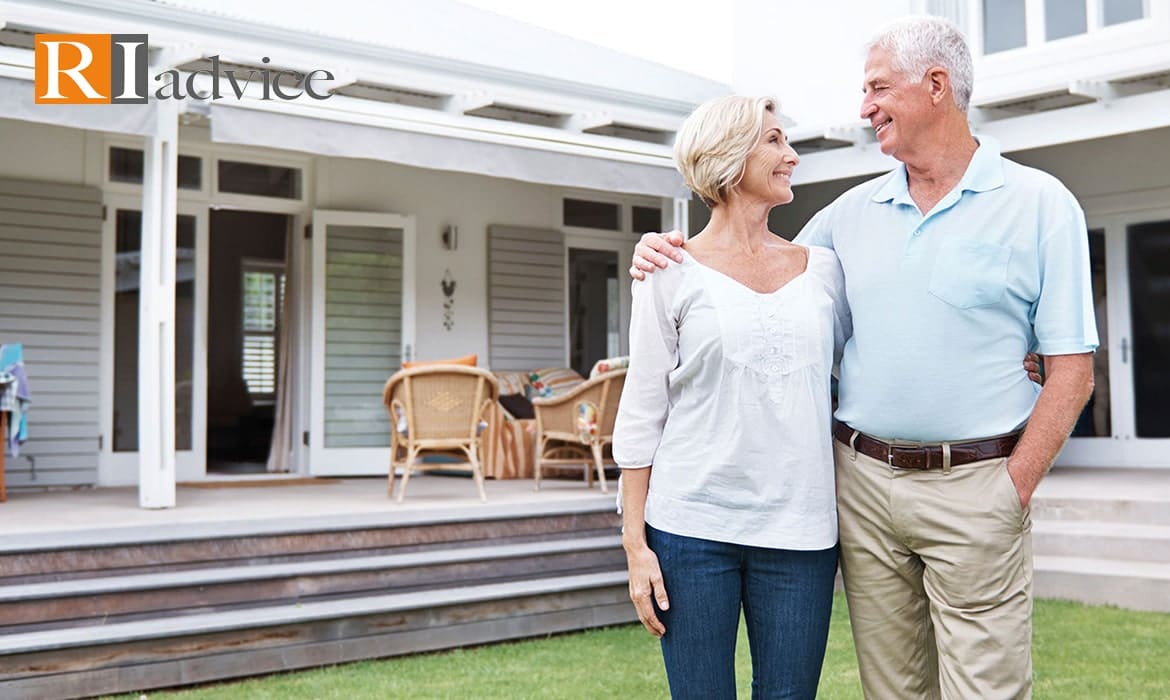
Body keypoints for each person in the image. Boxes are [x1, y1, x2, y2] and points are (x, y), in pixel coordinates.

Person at [631, 16, 1097, 700]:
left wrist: (1012, 485)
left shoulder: (1039, 204)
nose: (864, 107)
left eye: (878, 87)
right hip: (861, 490)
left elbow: (1073, 370)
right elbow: (753, 275)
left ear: (935, 85)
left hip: (977, 484)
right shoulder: (843, 222)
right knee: (893, 690)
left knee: (986, 689)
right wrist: (660, 253)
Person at [614, 94, 851, 699]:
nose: (792, 155)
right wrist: (636, 546)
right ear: (727, 155)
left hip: (800, 533)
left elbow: (869, 366)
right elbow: (642, 413)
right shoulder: (668, 269)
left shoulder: (824, 269)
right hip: (690, 529)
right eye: (774, 141)